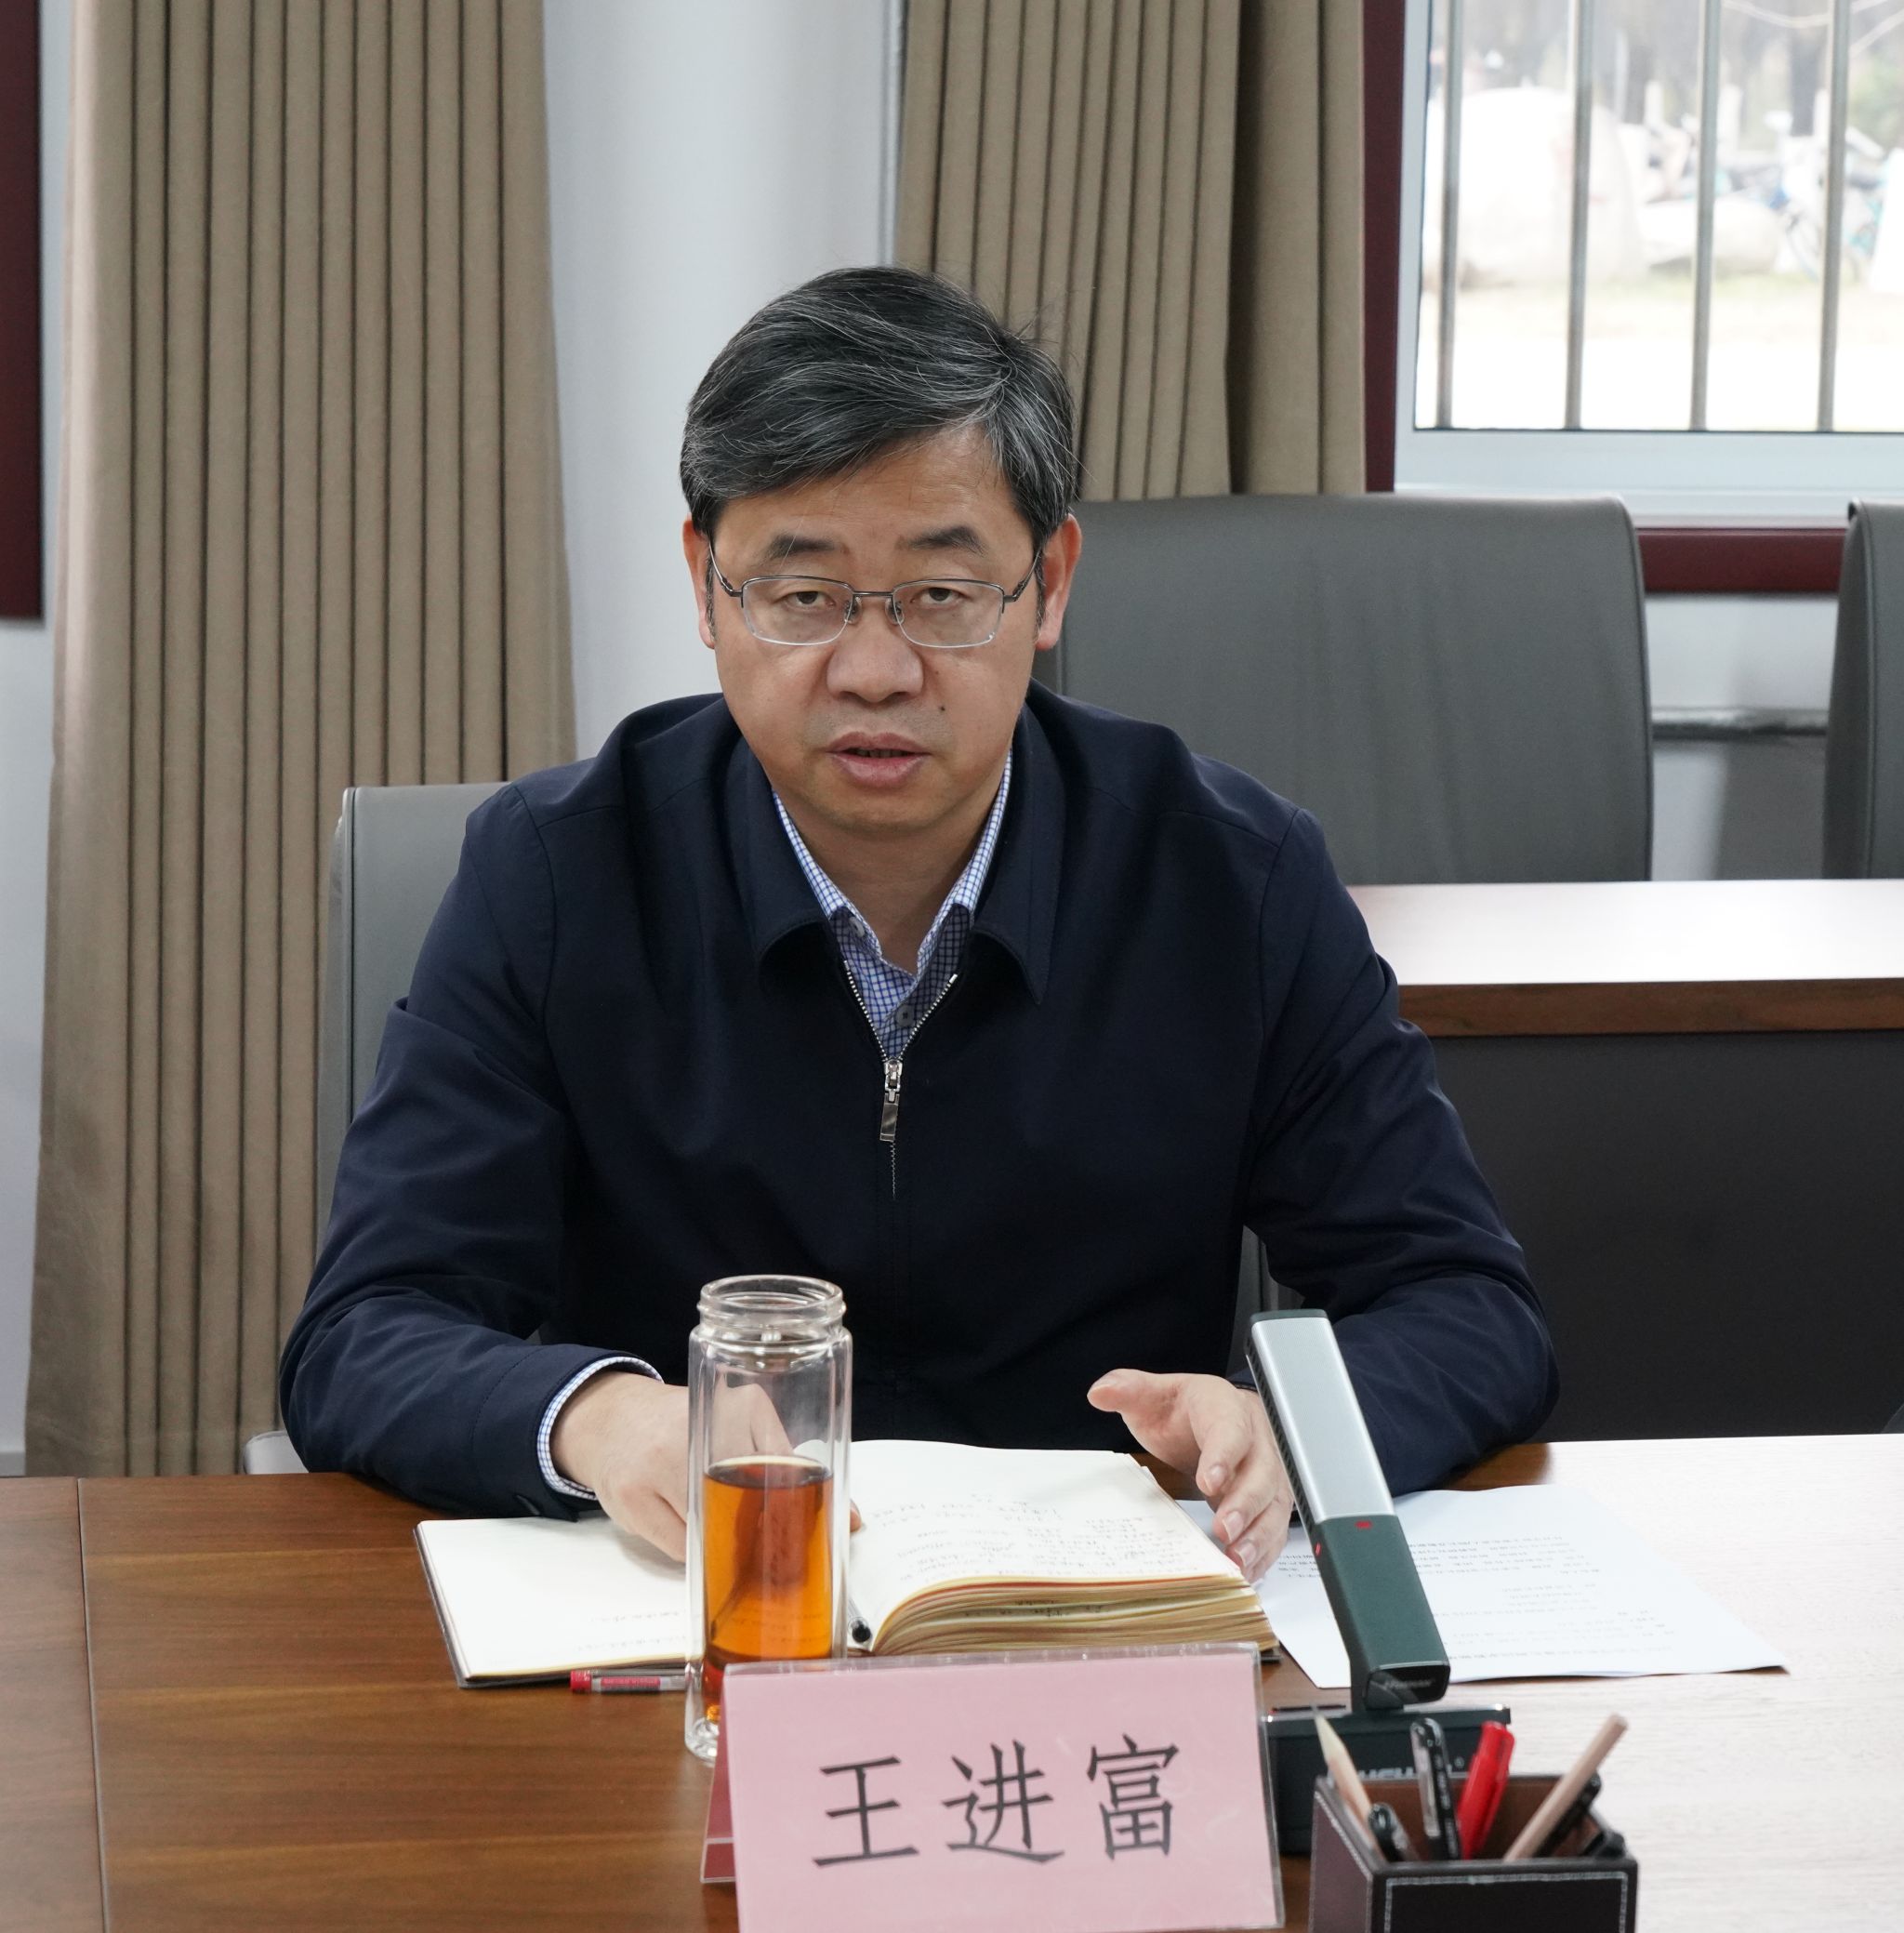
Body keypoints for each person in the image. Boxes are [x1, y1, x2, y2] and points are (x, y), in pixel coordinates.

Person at [280, 267, 1556, 1583]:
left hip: (1090, 1624)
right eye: (803, 595)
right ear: (708, 588)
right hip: (693, 1605)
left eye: (943, 595)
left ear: (1049, 583)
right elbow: (368, 1331)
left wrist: (1290, 1426)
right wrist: (601, 1421)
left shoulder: (1231, 879)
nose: (877, 670)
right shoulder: (555, 876)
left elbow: (1466, 1307)